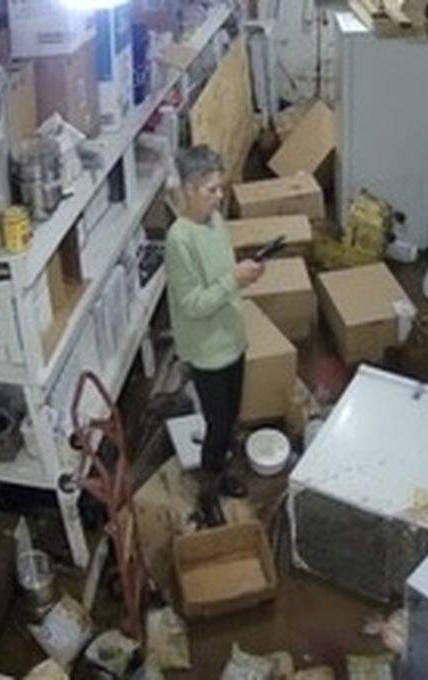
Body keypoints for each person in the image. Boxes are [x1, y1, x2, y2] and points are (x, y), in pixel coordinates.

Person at [165, 145, 264, 518]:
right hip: (207, 350)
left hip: (232, 338)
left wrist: (244, 275)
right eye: (211, 190)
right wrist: (232, 281)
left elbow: (224, 276)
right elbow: (192, 303)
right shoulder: (179, 240)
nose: (220, 197)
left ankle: (220, 475)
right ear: (189, 189)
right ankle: (208, 493)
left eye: (220, 188)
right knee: (217, 423)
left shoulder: (216, 221)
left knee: (230, 417)